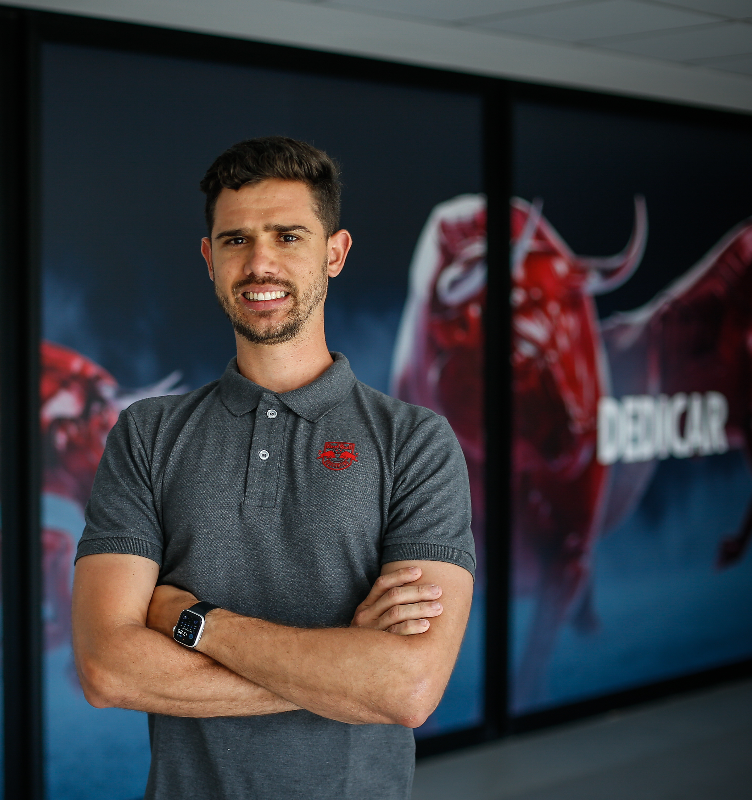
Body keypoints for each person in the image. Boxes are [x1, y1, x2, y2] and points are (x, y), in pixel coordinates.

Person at [70, 136, 475, 800]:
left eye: (288, 237)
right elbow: (107, 669)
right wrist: (340, 670)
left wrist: (193, 619)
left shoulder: (415, 443)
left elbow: (407, 687)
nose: (260, 263)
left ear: (334, 253)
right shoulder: (147, 435)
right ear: (208, 258)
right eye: (235, 241)